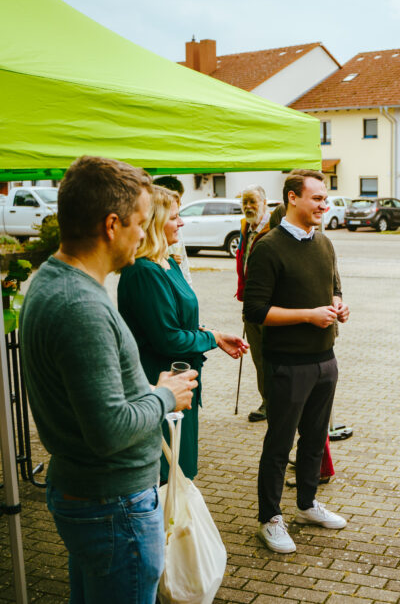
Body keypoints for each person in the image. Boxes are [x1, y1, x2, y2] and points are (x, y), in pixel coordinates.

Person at [19, 156, 199, 604]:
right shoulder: (81, 305)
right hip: (113, 506)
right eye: (141, 222)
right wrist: (163, 396)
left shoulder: (54, 281)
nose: (145, 233)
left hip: (93, 498)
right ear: (112, 225)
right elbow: (108, 429)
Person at [243, 169, 349, 553]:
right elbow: (254, 310)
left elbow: (333, 285)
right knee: (278, 443)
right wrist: (307, 314)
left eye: (326, 198)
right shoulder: (268, 247)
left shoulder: (324, 242)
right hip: (287, 363)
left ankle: (307, 504)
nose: (325, 204)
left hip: (326, 357)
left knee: (316, 439)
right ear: (292, 198)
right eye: (317, 198)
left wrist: (338, 303)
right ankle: (269, 519)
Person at [118, 185, 248, 481]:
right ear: (153, 223)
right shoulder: (143, 272)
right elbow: (169, 339)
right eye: (175, 217)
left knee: (182, 468)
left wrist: (211, 332)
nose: (182, 222)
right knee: (168, 474)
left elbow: (181, 323)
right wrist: (212, 339)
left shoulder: (168, 262)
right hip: (158, 383)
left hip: (182, 382)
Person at [235, 185, 272, 422]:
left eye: (253, 202)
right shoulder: (245, 227)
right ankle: (267, 402)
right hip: (250, 303)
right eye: (245, 202)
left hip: (271, 305)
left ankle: (278, 402)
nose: (248, 207)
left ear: (264, 203)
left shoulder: (273, 228)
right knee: (258, 357)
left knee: (272, 356)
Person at [153, 176, 192, 285]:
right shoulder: (146, 269)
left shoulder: (175, 231)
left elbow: (184, 263)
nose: (181, 223)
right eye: (173, 217)